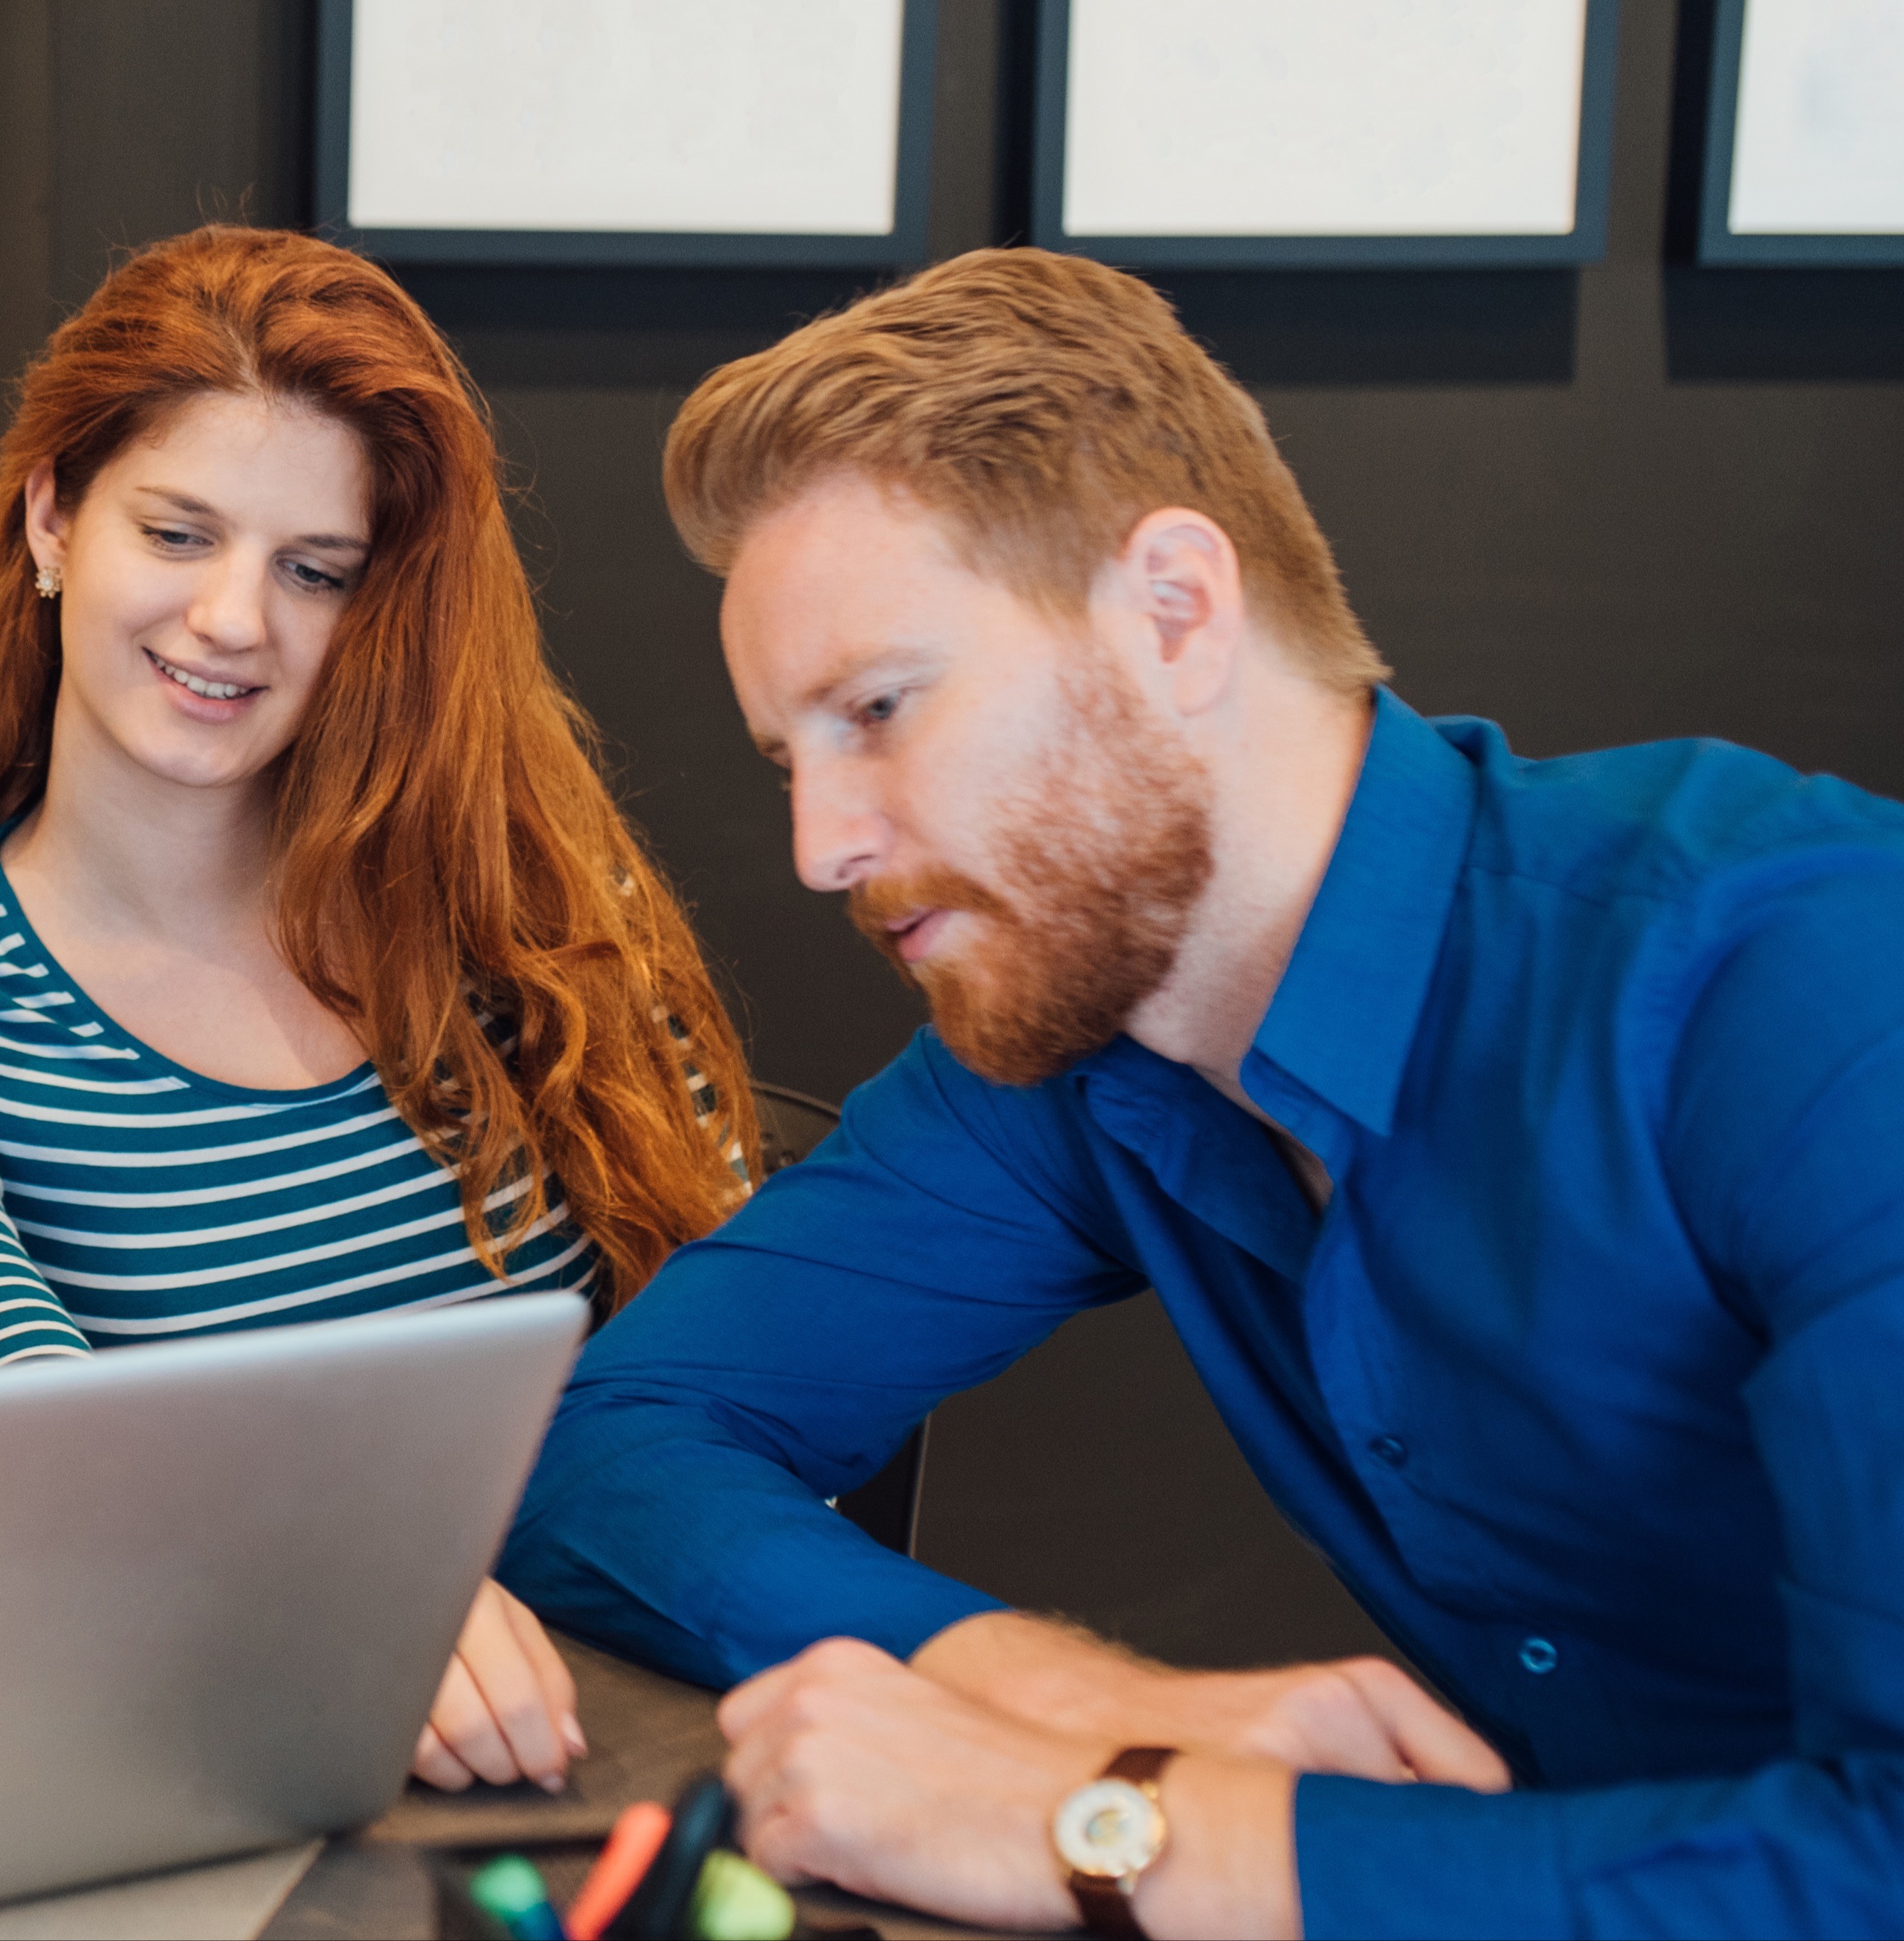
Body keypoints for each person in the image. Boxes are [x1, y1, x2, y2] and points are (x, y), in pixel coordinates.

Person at [499, 246, 1904, 1937]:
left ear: (1172, 613)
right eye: (788, 757)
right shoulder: (1071, 1037)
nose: (820, 846)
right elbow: (610, 1444)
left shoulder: (1808, 985)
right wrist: (1042, 1690)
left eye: (877, 708)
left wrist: (1109, 1824)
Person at [0, 226, 759, 1799]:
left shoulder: (529, 920)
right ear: (48, 518)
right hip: (242, 1789)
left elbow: (740, 1358)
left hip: (647, 1743)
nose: (234, 619)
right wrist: (371, 1599)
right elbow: (38, 1444)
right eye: (176, 534)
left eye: (314, 570)